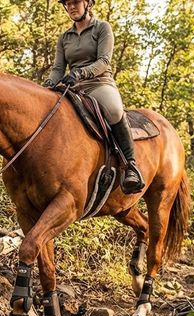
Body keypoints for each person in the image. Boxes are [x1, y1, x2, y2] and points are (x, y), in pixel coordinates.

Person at [42, 0, 144, 194]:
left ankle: (130, 165)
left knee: (114, 110)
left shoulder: (102, 28)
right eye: (68, 3)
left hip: (98, 83)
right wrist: (48, 86)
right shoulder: (65, 37)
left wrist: (81, 73)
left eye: (76, 2)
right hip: (73, 86)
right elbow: (57, 69)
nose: (71, 7)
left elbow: (104, 61)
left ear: (88, 3)